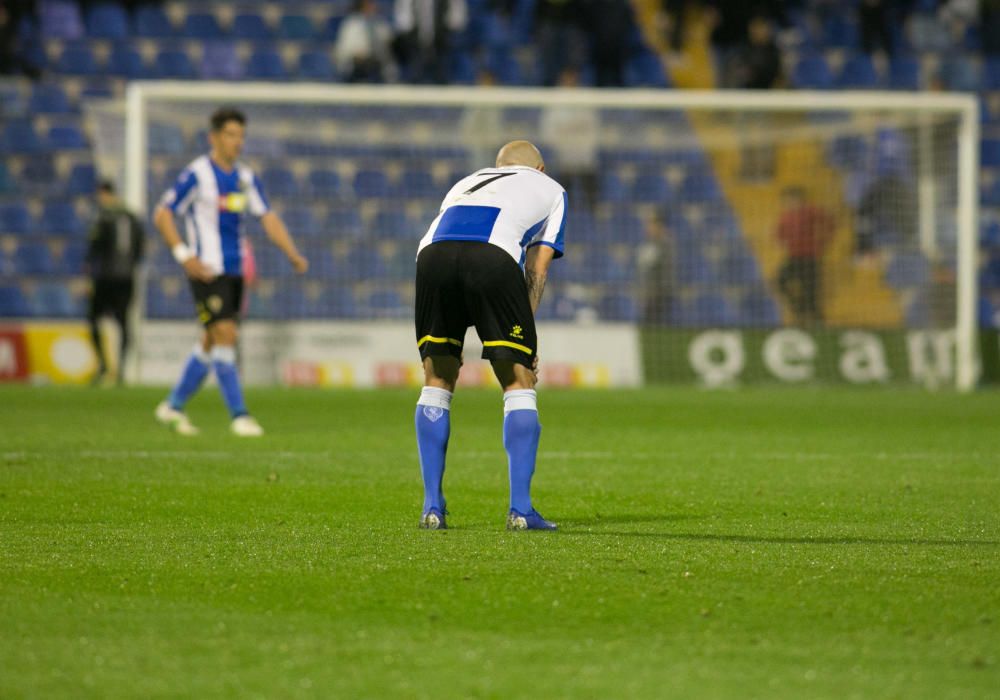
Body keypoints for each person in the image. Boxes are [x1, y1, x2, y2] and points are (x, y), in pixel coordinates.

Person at [413, 140, 566, 531]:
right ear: (541, 168)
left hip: (432, 257)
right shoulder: (552, 190)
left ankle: (433, 507)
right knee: (518, 381)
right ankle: (521, 510)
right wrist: (525, 336)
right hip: (492, 258)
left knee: (437, 379)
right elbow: (538, 264)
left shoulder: (467, 181)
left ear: (497, 166)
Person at [152, 106, 308, 437]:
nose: (237, 142)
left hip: (236, 273)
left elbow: (267, 217)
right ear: (214, 137)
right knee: (226, 336)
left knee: (211, 339)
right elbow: (163, 213)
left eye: (241, 136)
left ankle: (172, 406)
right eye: (230, 135)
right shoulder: (197, 174)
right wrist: (183, 255)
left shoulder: (245, 178)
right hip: (207, 271)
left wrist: (292, 253)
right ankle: (240, 415)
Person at [85, 178, 144, 386]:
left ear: (105, 194)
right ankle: (118, 370)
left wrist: (89, 277)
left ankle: (105, 366)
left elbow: (94, 249)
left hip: (105, 278)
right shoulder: (132, 217)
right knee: (123, 322)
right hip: (126, 278)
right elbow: (140, 248)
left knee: (94, 319)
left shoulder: (103, 217)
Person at [775, 187, 835, 325]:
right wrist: (783, 241)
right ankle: (799, 308)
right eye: (787, 200)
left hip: (811, 256)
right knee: (781, 281)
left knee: (811, 289)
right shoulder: (786, 216)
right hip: (794, 257)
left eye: (791, 199)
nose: (789, 203)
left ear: (799, 199)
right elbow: (778, 234)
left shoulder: (811, 211)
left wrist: (823, 241)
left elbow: (829, 223)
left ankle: (816, 318)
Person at [334, 0, 397, 83]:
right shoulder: (351, 24)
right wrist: (356, 54)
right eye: (368, 5)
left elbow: (389, 42)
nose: (372, 8)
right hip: (355, 65)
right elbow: (342, 49)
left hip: (378, 63)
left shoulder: (380, 24)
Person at [637, 211, 675, 325]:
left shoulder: (666, 245)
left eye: (652, 224)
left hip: (661, 299)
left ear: (660, 226)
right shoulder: (646, 245)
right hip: (648, 299)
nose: (649, 228)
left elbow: (667, 274)